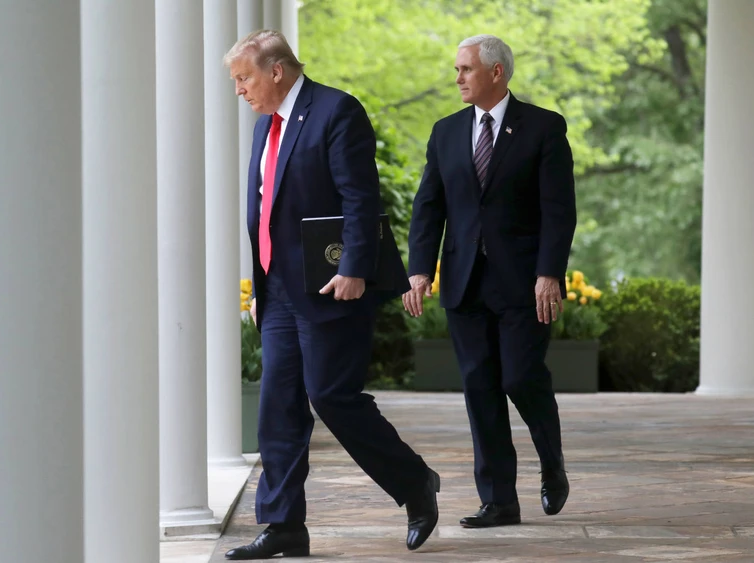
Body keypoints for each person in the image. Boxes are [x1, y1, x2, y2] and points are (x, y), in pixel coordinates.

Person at [222, 30, 440, 559]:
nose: (239, 91)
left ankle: (415, 485)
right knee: (279, 407)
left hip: (331, 285)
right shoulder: (262, 128)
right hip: (278, 290)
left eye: (244, 78)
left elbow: (359, 196)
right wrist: (260, 284)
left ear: (276, 71)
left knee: (331, 396)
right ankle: (282, 526)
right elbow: (266, 208)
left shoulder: (337, 111)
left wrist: (354, 267)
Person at [404, 34, 576, 528]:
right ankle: (499, 499)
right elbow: (428, 206)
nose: (456, 78)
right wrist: (419, 270)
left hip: (524, 283)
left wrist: (550, 273)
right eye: (457, 70)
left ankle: (552, 463)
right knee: (480, 387)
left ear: (495, 72)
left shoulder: (543, 128)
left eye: (465, 69)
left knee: (520, 377)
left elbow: (558, 210)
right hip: (463, 281)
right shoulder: (445, 132)